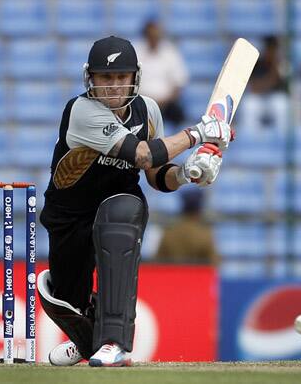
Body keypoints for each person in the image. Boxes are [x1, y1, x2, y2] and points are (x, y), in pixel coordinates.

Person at [37, 36, 231, 367]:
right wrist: (198, 134)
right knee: (61, 297)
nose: (113, 86)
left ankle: (113, 342)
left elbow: (156, 174)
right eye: (105, 78)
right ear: (91, 79)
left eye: (120, 78)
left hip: (118, 203)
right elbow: (142, 154)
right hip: (69, 216)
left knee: (120, 216)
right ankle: (91, 338)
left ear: (134, 78)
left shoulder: (148, 109)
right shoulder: (82, 111)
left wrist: (186, 174)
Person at [133, 19, 189, 127]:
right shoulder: (135, 51)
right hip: (141, 103)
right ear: (145, 35)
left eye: (156, 35)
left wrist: (164, 101)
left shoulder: (170, 52)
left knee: (179, 114)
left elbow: (179, 83)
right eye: (151, 35)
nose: (154, 39)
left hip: (167, 104)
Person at [238, 35, 289, 133]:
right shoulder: (257, 64)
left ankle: (282, 139)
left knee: (281, 105)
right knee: (249, 105)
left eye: (273, 50)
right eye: (269, 49)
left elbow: (286, 89)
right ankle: (251, 139)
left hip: (275, 99)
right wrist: (269, 81)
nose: (271, 53)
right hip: (259, 99)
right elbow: (254, 88)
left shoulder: (283, 65)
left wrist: (275, 65)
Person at [155, 188, 219, 266]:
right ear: (199, 210)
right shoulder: (205, 235)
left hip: (173, 277)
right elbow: (214, 264)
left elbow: (157, 262)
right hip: (197, 277)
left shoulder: (169, 233)